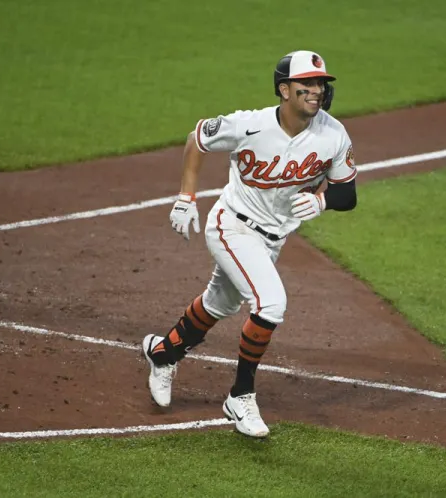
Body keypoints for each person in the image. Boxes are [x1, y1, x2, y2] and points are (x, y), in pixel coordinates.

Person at [142, 50, 358, 438]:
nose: (317, 91)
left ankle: (163, 352)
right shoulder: (249, 126)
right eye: (306, 85)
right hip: (232, 227)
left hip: (273, 240)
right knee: (271, 303)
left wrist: (323, 200)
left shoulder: (333, 135)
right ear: (284, 89)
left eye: (321, 84)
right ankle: (240, 397)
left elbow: (348, 194)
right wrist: (186, 197)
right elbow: (197, 138)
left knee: (219, 303)